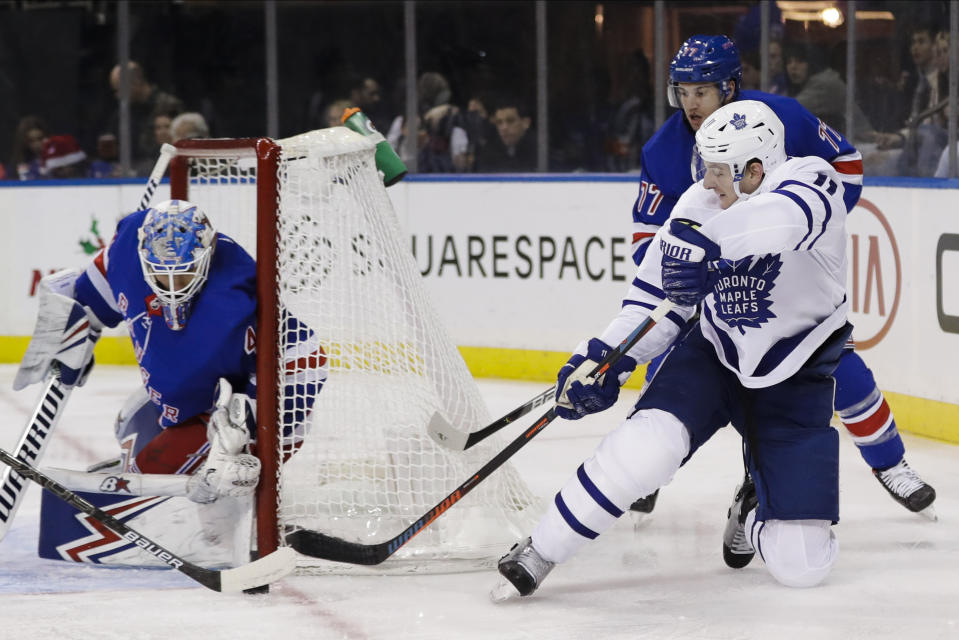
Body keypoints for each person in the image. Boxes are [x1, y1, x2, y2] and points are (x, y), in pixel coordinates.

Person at [496, 101, 852, 598]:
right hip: (714, 354)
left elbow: (785, 219)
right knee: (645, 451)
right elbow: (650, 302)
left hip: (794, 374)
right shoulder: (698, 206)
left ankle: (753, 510)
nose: (707, 183)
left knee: (803, 566)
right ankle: (539, 548)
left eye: (717, 170)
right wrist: (603, 358)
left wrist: (713, 244)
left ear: (756, 169)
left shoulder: (815, 181)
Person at [627, 35, 934, 518]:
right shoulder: (662, 150)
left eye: (702, 91)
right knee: (668, 370)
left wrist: (812, 230)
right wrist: (686, 277)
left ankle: (891, 464)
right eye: (682, 92)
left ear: (730, 87)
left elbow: (847, 164)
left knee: (835, 363)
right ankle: (643, 474)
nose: (691, 104)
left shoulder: (784, 116)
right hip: (717, 287)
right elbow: (649, 234)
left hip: (786, 275)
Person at [14, 199, 326, 505]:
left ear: (208, 254)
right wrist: (71, 318)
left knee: (152, 489)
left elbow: (306, 355)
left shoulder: (236, 295)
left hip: (243, 416)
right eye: (162, 273)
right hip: (189, 402)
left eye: (186, 272)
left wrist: (251, 434)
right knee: (128, 425)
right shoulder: (127, 251)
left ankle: (226, 508)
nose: (173, 286)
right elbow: (91, 290)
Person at [107, 61, 184, 175]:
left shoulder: (169, 106)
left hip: (164, 175)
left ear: (136, 82)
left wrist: (137, 171)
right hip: (132, 176)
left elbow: (180, 149)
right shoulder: (123, 113)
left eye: (120, 89)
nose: (117, 95)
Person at [475, 96, 537, 172]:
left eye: (510, 121)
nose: (504, 128)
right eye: (499, 122)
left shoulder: (540, 152)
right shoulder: (488, 153)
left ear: (526, 123)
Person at [8, 115, 47, 180]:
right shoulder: (15, 166)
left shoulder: (56, 162)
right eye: (31, 141)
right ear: (24, 142)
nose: (37, 144)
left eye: (40, 139)